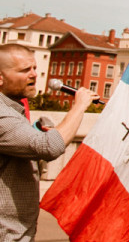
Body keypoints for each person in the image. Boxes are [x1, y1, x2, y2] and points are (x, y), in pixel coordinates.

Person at [0, 44, 98, 241]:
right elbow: (49, 147)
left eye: (35, 68)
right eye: (25, 70)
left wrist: (35, 130)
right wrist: (79, 106)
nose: (34, 75)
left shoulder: (11, 109)